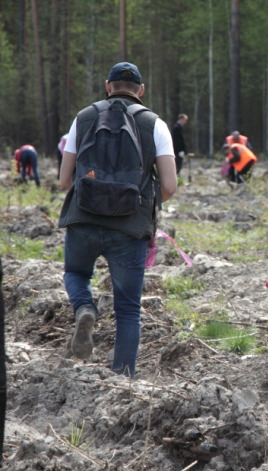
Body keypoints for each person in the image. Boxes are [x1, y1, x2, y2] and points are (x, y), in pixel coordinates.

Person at [58, 61, 177, 377]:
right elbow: (169, 186)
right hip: (128, 227)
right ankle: (122, 378)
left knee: (75, 272)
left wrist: (93, 195)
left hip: (82, 220)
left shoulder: (83, 118)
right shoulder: (156, 124)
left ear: (108, 86)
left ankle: (84, 307)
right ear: (141, 91)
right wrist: (137, 203)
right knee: (127, 309)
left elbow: (64, 179)